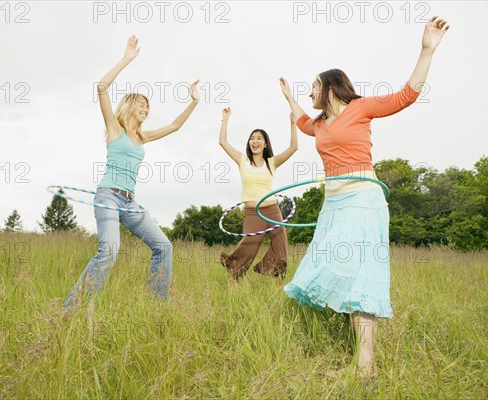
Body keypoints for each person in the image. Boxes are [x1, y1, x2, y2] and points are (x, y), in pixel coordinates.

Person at [280, 17, 449, 378]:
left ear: (329, 86)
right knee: (331, 269)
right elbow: (300, 122)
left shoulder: (361, 108)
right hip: (333, 205)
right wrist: (288, 96)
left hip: (362, 199)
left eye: (312, 87)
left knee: (358, 274)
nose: (310, 93)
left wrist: (426, 49)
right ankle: (360, 359)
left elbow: (407, 95)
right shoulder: (320, 124)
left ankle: (364, 366)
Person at [63, 35, 200, 307]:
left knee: (164, 247)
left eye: (148, 107)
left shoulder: (143, 137)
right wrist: (126, 59)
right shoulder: (115, 129)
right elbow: (102, 87)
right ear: (129, 106)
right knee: (109, 252)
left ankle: (157, 305)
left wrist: (194, 101)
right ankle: (74, 309)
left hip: (129, 201)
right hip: (108, 197)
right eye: (142, 105)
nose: (147, 109)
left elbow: (174, 126)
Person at [218, 79, 298, 280]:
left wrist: (293, 123)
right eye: (252, 138)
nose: (255, 141)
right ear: (249, 143)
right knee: (249, 248)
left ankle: (276, 280)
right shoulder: (242, 160)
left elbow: (293, 148)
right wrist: (225, 119)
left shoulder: (272, 162)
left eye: (259, 139)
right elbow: (222, 142)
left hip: (272, 209)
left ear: (265, 144)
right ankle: (234, 273)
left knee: (281, 251)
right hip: (252, 211)